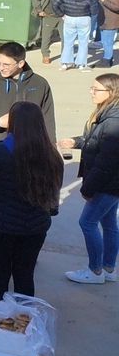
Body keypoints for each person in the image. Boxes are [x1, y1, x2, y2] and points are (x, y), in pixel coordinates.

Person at [0, 101, 62, 299]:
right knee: (25, 275)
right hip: (35, 227)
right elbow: (54, 194)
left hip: (1, 225)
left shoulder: (1, 152)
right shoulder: (53, 155)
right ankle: (23, 320)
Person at [57, 73, 119, 284]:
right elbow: (97, 142)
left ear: (111, 93)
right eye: (91, 88)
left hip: (108, 184)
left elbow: (106, 163)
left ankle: (95, 271)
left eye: (96, 89)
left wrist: (88, 189)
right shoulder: (108, 114)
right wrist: (75, 142)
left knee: (88, 222)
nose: (91, 93)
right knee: (109, 223)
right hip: (112, 184)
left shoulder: (113, 121)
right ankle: (109, 268)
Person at [0, 41, 56, 145]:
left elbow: (48, 119)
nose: (1, 67)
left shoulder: (40, 84)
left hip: (32, 147)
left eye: (6, 65)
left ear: (20, 63)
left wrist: (51, 148)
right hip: (0, 146)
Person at [52, 0, 100, 71]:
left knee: (68, 42)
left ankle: (65, 63)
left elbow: (55, 4)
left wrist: (61, 14)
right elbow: (94, 10)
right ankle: (81, 64)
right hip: (84, 18)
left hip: (69, 18)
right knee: (83, 43)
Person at [32, 0, 68, 65]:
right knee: (46, 37)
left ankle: (65, 56)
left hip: (63, 16)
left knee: (65, 37)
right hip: (49, 15)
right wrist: (39, 10)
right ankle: (46, 56)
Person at [97, 0, 119, 68]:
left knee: (107, 42)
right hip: (104, 20)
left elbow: (117, 7)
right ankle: (107, 58)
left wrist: (104, 1)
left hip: (110, 21)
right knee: (105, 42)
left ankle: (106, 60)